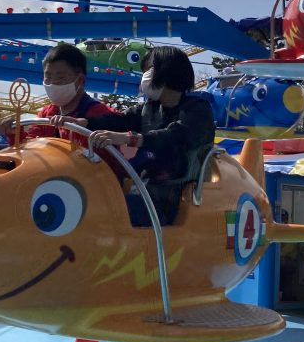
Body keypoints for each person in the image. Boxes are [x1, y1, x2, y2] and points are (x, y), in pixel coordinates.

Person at [53, 46, 215, 226]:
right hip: (145, 190)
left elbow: (174, 136)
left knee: (104, 213)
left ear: (167, 70)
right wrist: (86, 123)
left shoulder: (197, 109)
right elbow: (121, 120)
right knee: (92, 199)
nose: (144, 76)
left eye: (148, 70)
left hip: (174, 199)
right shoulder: (150, 108)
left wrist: (130, 138)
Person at [23, 43, 116, 143]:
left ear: (80, 80)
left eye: (60, 78)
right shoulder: (46, 113)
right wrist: (14, 134)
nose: (53, 83)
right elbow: (30, 146)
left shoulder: (101, 114)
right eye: (48, 77)